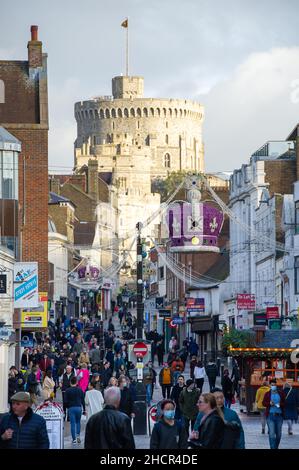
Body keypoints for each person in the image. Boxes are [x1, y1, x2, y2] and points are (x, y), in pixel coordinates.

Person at [262, 379, 286, 449]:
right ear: (270, 385)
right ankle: (272, 447)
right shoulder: (267, 394)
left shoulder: (281, 393)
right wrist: (269, 403)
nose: (273, 386)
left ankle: (276, 447)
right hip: (270, 416)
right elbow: (263, 403)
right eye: (272, 385)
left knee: (278, 435)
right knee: (272, 434)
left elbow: (284, 403)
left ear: (276, 385)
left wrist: (280, 404)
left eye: (274, 385)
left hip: (279, 416)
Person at [64, 376, 86, 444]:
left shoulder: (67, 390)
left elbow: (65, 401)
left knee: (72, 424)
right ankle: (78, 436)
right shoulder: (80, 390)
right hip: (79, 407)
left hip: (71, 408)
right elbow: (83, 400)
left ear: (70, 382)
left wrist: (66, 408)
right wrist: (84, 409)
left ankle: (74, 439)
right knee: (78, 422)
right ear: (76, 382)